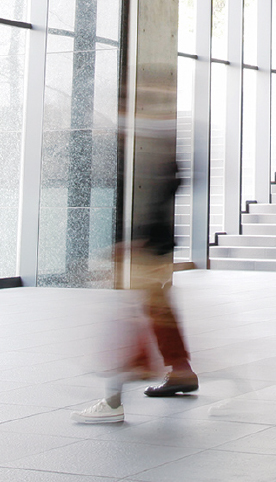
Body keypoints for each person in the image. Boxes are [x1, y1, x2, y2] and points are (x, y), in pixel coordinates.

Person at [73, 88, 197, 424]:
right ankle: (181, 370)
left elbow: (155, 190)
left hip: (148, 243)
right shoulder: (158, 137)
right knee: (155, 311)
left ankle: (113, 401)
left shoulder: (144, 141)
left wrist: (135, 241)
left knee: (130, 320)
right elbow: (174, 181)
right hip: (157, 242)